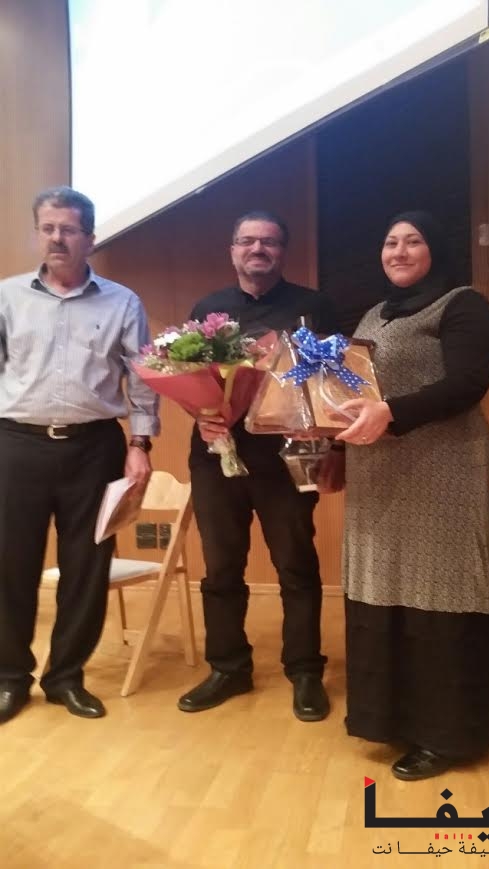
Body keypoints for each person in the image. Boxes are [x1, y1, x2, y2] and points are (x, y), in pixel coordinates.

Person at [318, 211, 489, 779]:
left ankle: (448, 736)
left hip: (445, 469)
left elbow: (468, 384)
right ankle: (391, 717)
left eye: (413, 241)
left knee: (441, 587)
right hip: (379, 471)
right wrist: (336, 448)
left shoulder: (463, 305)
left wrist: (391, 413)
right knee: (383, 584)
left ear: (435, 248)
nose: (398, 251)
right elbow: (356, 391)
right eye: (390, 241)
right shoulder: (374, 314)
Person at [0, 186, 159, 723]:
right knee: (9, 566)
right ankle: (9, 678)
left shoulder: (122, 302)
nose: (57, 239)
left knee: (87, 568)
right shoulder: (7, 297)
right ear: (37, 233)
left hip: (93, 449)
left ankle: (65, 677)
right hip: (16, 445)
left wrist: (139, 444)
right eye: (48, 228)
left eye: (68, 230)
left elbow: (143, 379)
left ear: (90, 238)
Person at [178, 210, 337, 721]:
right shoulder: (208, 308)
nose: (257, 249)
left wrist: (328, 439)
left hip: (286, 458)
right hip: (216, 457)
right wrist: (203, 416)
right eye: (247, 241)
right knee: (221, 567)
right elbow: (187, 376)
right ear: (233, 251)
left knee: (296, 564)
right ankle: (228, 667)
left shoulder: (314, 307)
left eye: (268, 242)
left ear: (282, 252)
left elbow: (333, 381)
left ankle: (305, 671)